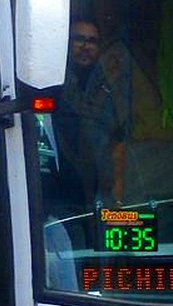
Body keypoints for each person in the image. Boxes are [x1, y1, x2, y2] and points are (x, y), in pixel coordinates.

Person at [52, 19, 125, 214]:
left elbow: (118, 142)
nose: (86, 47)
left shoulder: (108, 84)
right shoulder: (52, 81)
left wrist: (116, 193)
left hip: (99, 193)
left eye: (92, 41)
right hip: (60, 194)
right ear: (66, 43)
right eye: (79, 39)